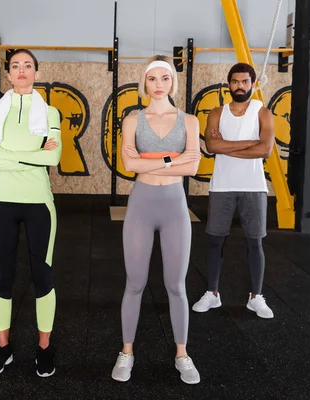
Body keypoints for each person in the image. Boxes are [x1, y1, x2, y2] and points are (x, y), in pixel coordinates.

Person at [111, 55, 202, 384]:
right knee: (134, 283)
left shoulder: (189, 121)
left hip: (175, 205)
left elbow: (193, 168)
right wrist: (170, 159)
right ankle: (126, 352)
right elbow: (128, 166)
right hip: (142, 204)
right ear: (144, 83)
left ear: (173, 82)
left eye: (165, 78)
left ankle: (182, 354)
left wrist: (149, 160)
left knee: (176, 286)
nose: (159, 85)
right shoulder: (133, 119)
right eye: (153, 79)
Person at [0, 49, 62, 378]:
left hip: (39, 202)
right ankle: (3, 348)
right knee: (3, 276)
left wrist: (5, 154)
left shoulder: (50, 113)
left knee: (43, 276)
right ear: (9, 74)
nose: (22, 70)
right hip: (4, 203)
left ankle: (44, 349)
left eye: (28, 65)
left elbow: (53, 160)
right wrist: (30, 154)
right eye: (16, 66)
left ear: (36, 72)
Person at [191, 62, 275, 319]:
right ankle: (213, 294)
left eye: (245, 82)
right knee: (215, 241)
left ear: (252, 84)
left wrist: (227, 144)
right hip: (222, 186)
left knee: (254, 242)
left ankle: (256, 297)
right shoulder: (217, 113)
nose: (240, 86)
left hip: (254, 187)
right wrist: (250, 142)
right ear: (229, 84)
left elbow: (265, 150)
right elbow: (211, 146)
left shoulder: (263, 113)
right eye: (235, 82)